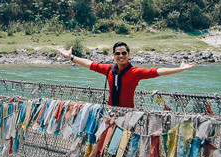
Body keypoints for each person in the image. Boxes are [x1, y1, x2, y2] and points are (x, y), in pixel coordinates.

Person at [57, 41, 196, 108]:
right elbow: (89, 64)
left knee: (124, 149)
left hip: (128, 114)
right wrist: (71, 57)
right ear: (114, 55)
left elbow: (158, 71)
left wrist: (180, 69)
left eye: (124, 53)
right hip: (110, 111)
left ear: (128, 54)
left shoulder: (136, 72)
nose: (121, 55)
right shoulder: (109, 69)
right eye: (117, 53)